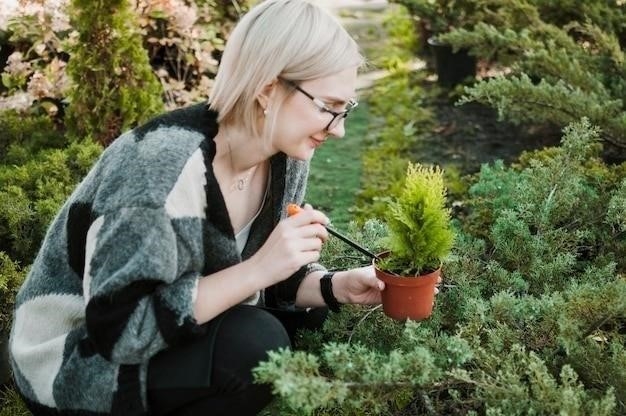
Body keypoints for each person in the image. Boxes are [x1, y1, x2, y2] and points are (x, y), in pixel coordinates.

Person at [9, 1, 437, 415]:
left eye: (346, 111)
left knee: (315, 324)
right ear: (269, 90)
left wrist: (336, 287)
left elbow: (261, 281)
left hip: (167, 328)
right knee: (254, 345)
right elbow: (118, 330)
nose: (339, 131)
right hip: (76, 357)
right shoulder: (159, 166)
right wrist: (259, 269)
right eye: (330, 109)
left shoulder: (282, 158)